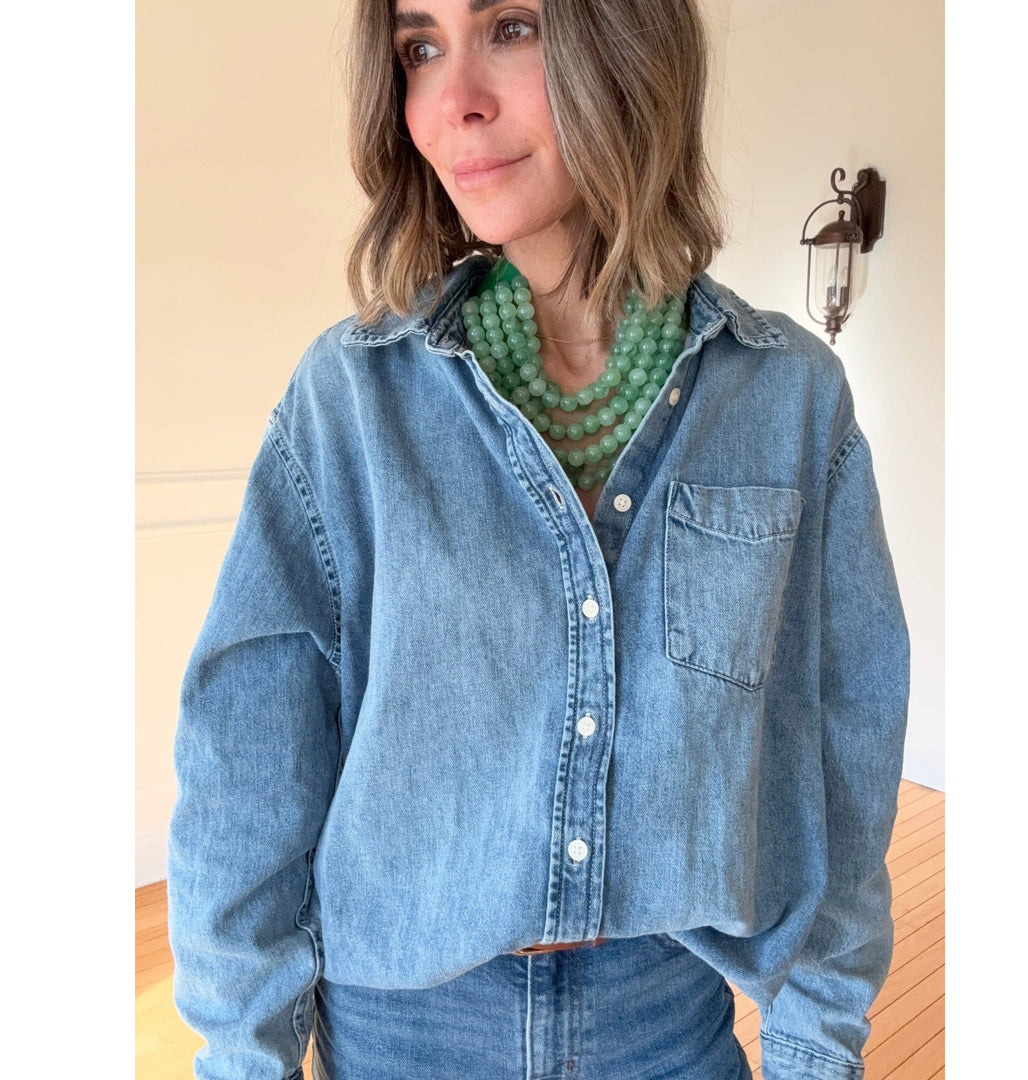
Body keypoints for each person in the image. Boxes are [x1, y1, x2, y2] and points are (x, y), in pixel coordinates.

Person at [166, 0, 910, 1077]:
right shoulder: (351, 401)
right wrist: (246, 1054)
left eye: (512, 26)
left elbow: (844, 756)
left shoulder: (786, 398)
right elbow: (248, 763)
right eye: (420, 48)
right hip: (399, 1030)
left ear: (627, 41)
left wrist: (815, 1047)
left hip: (668, 1025)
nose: (455, 100)